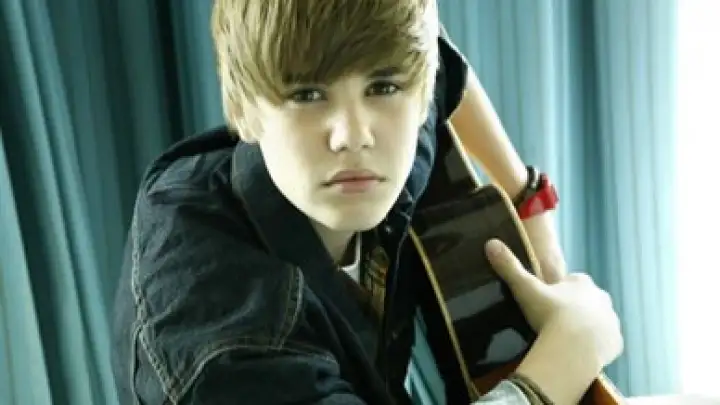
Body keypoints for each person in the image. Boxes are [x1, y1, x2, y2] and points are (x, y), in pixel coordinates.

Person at [111, 1, 624, 404]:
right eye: (308, 95)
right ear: (244, 111)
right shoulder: (228, 348)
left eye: (381, 86)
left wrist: (528, 204)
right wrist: (567, 353)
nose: (354, 136)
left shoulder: (398, 120)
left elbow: (434, 53)